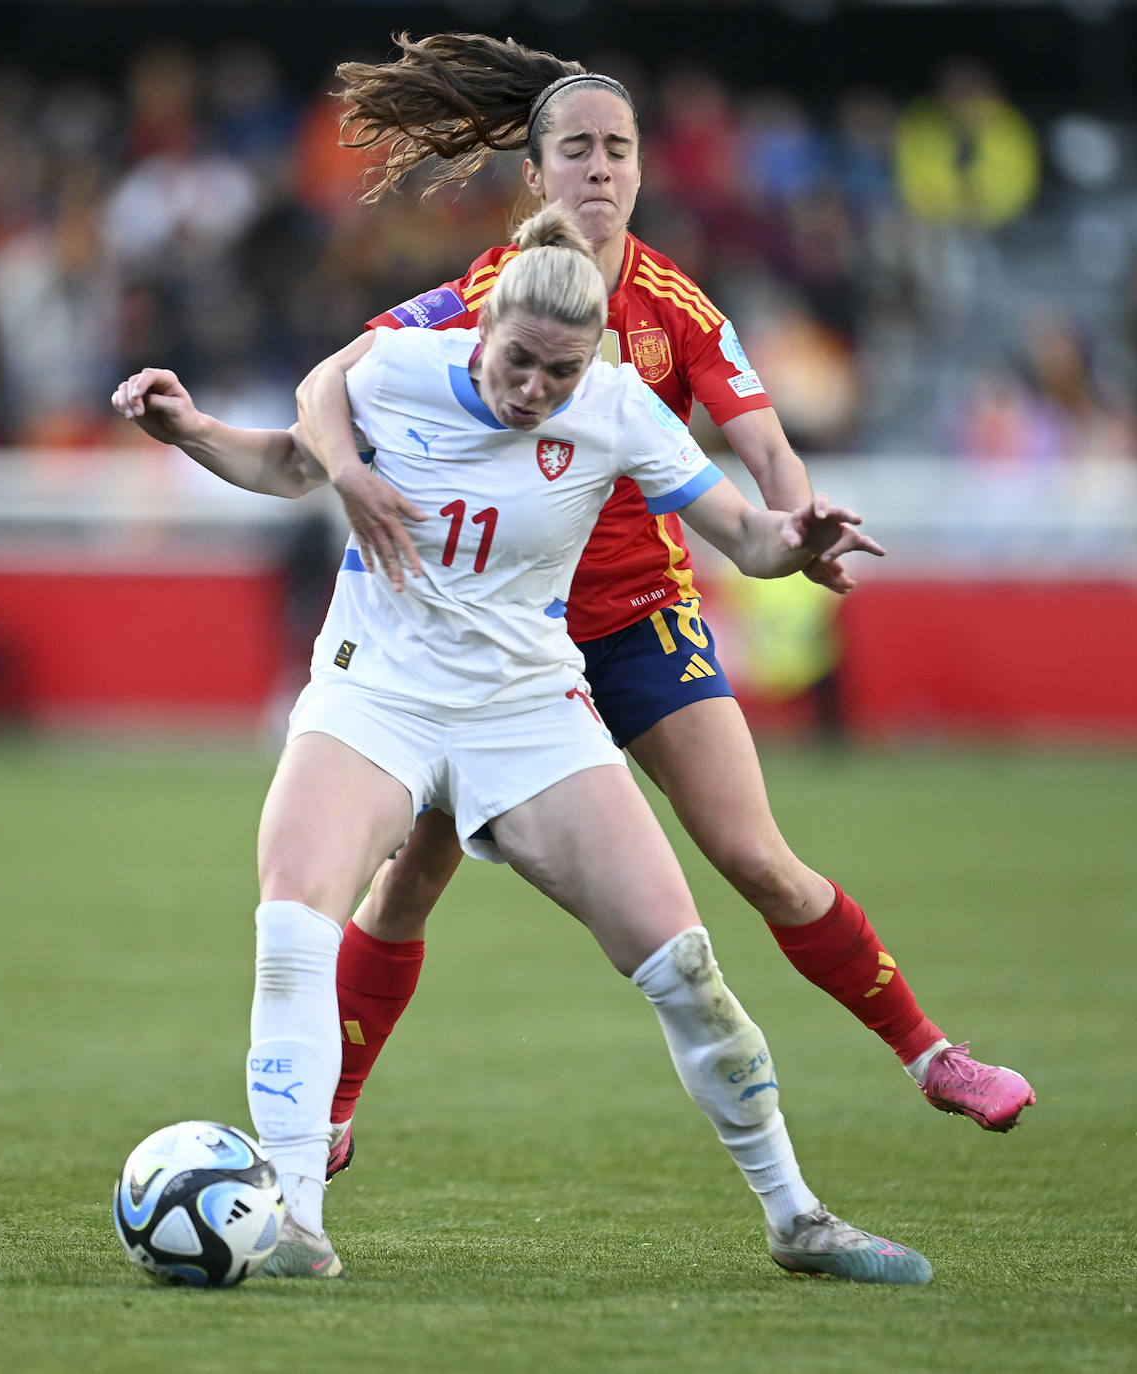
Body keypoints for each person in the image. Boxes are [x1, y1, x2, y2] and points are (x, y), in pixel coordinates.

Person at [113, 206, 933, 1285]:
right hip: (377, 699)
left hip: (528, 712)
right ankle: (299, 1223)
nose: (535, 389)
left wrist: (797, 540)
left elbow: (741, 532)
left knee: (685, 967)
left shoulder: (618, 406)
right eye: (519, 362)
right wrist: (188, 428)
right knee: (292, 928)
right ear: (482, 326)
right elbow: (283, 464)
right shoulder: (400, 365)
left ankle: (797, 1217)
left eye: (560, 370)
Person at [298, 34, 1034, 1167]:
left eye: (620, 152)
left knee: (754, 856)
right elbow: (334, 384)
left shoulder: (677, 307)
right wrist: (344, 471)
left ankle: (931, 1053)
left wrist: (796, 530)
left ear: (643, 172)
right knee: (411, 883)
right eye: (578, 151)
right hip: (491, 642)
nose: (600, 170)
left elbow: (766, 453)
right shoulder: (485, 300)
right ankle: (331, 1112)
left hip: (635, 617)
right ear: (534, 176)